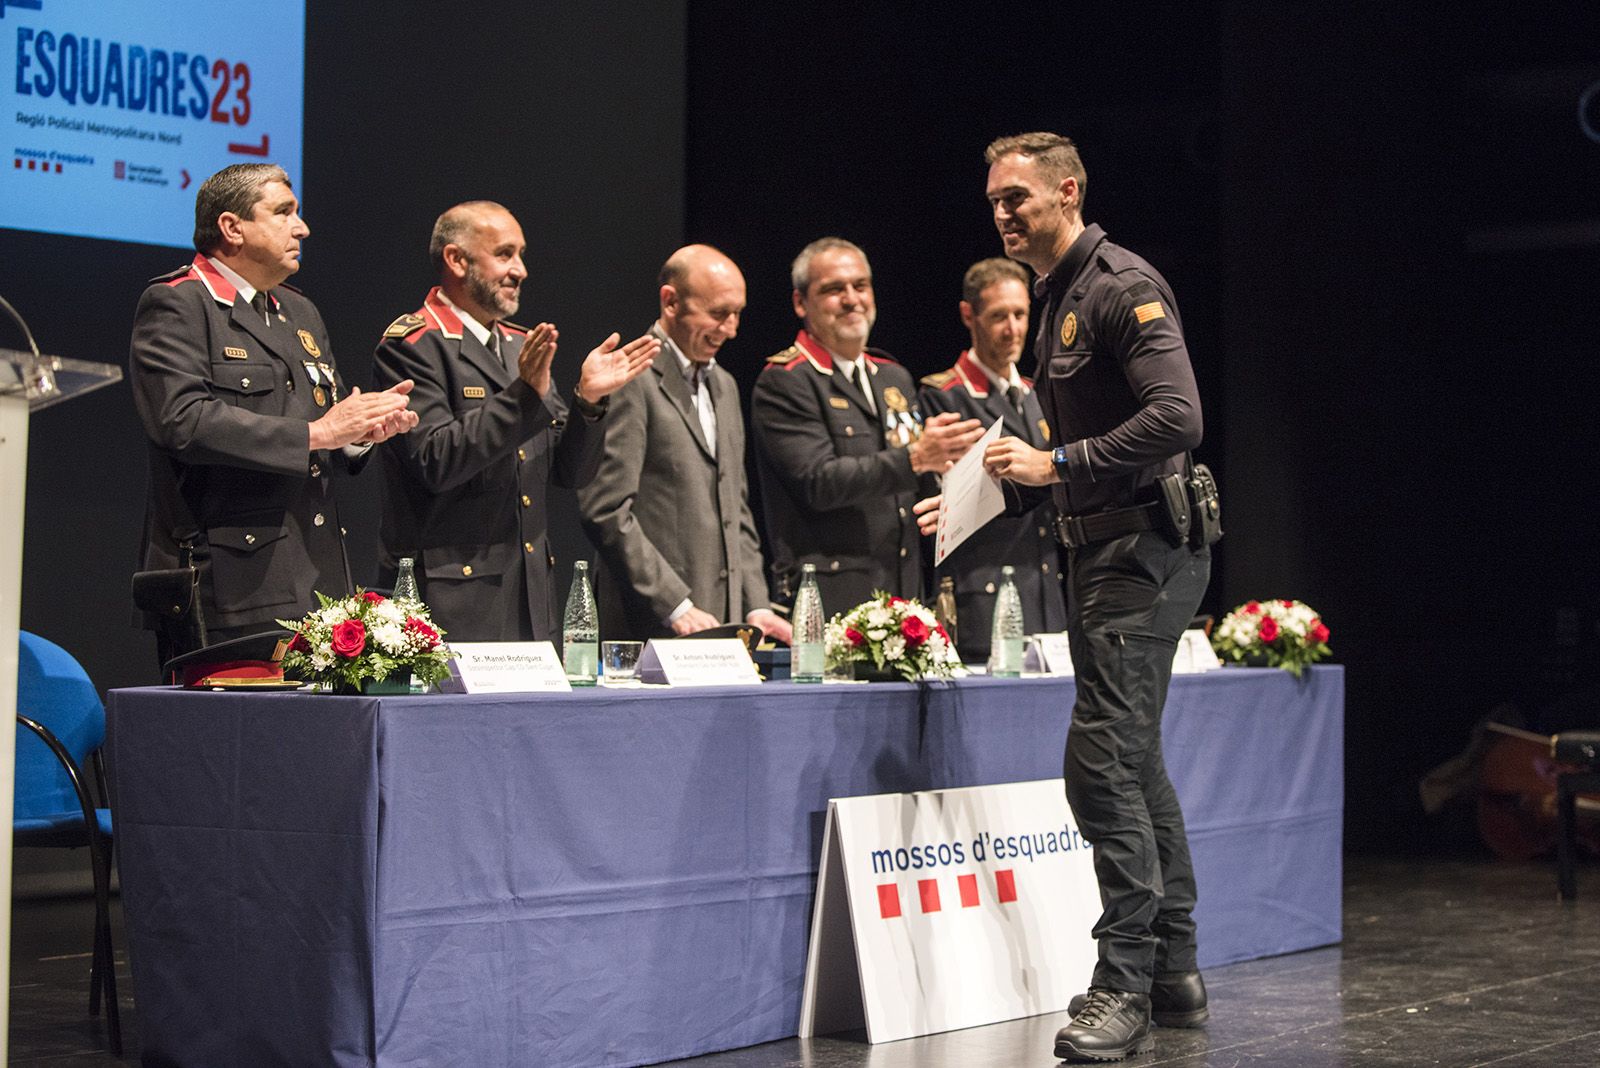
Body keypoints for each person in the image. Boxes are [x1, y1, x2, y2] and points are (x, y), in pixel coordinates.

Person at [917, 133, 1212, 1061]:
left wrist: (1060, 462)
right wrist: (982, 490)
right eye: (995, 201)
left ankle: (1121, 985)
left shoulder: (1121, 286)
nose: (1005, 214)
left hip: (1147, 550)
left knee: (1100, 767)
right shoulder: (1052, 300)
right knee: (1134, 758)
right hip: (1100, 553)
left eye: (1020, 199)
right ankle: (1176, 970)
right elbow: (1057, 451)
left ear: (1068, 192)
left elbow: (1179, 418)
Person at [130, 163, 419, 665]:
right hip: (229, 582)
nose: (301, 227)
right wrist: (319, 432)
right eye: (284, 212)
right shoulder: (179, 303)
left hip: (317, 576)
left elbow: (322, 431)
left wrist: (360, 434)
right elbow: (182, 421)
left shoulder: (299, 312)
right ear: (232, 227)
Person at [371, 201, 657, 641]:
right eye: (504, 254)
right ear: (456, 260)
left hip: (530, 599)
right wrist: (523, 394)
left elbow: (570, 472)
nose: (520, 270)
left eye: (521, 255)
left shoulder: (519, 344)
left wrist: (588, 402)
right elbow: (435, 461)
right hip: (449, 605)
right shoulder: (414, 345)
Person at [751, 237, 982, 615]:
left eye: (860, 286)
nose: (852, 299)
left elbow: (912, 481)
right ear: (799, 302)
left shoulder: (893, 377)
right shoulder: (786, 381)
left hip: (903, 596)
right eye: (833, 289)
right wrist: (916, 458)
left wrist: (948, 475)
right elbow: (818, 481)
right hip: (832, 602)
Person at [576, 246, 791, 643]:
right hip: (650, 627)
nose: (730, 329)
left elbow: (735, 510)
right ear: (670, 301)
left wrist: (756, 603)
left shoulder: (724, 384)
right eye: (718, 314)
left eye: (737, 313)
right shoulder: (631, 378)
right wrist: (675, 604)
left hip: (719, 625)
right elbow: (605, 509)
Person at [918, 257, 1066, 662]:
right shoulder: (944, 395)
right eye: (999, 316)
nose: (1013, 329)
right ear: (969, 315)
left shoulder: (1038, 394)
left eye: (1021, 314)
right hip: (982, 593)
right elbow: (961, 494)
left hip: (1045, 591)